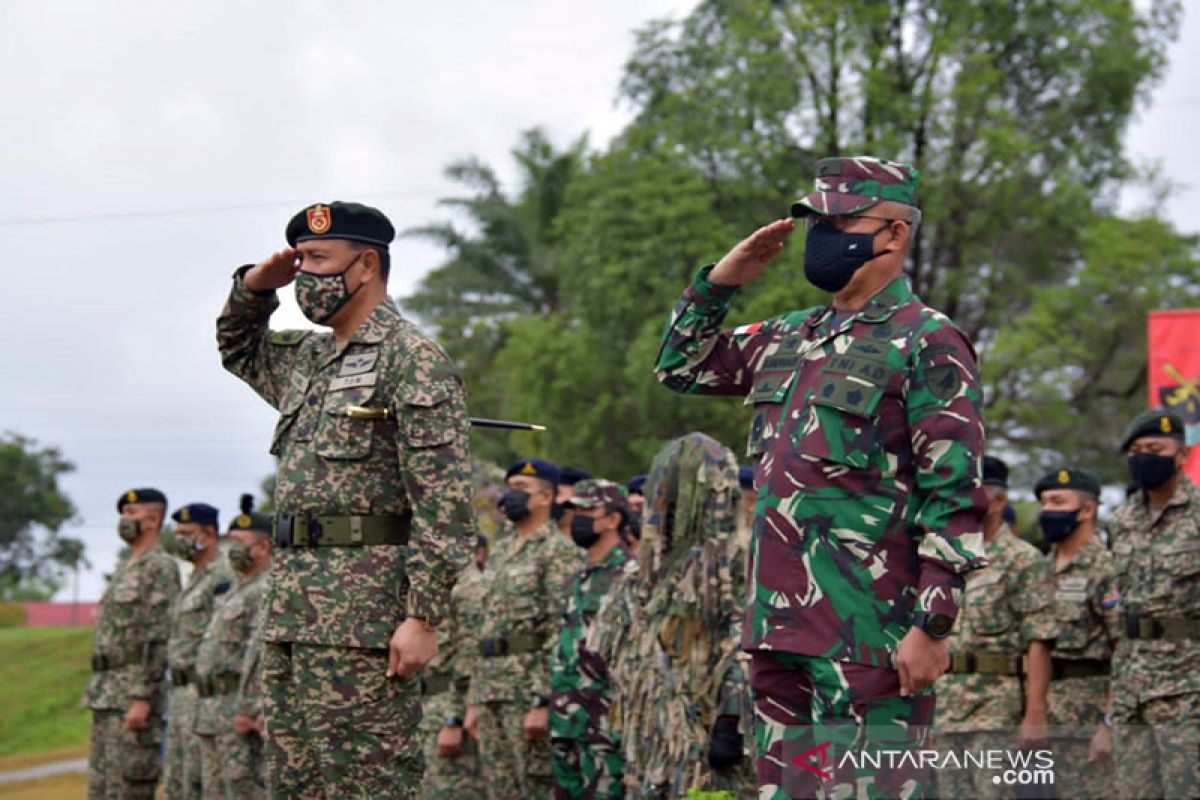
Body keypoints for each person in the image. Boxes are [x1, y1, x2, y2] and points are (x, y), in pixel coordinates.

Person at [654, 156, 987, 797]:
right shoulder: (789, 336)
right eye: (816, 221)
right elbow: (679, 365)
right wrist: (722, 281)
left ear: (893, 234)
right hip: (779, 632)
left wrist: (933, 624)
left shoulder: (926, 341)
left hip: (871, 637)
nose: (822, 237)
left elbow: (954, 494)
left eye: (841, 221)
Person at [216, 200, 476, 797]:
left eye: (318, 260)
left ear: (365, 266)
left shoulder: (412, 360)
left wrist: (423, 615)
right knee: (297, 786)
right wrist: (257, 286)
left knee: (368, 786)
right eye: (300, 260)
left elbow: (444, 504)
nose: (306, 274)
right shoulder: (309, 359)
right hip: (292, 617)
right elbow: (238, 347)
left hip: (365, 627)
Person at [589, 433, 753, 797]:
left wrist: (731, 713)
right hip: (655, 743)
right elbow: (608, 646)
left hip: (710, 742)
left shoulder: (735, 565)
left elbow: (748, 641)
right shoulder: (643, 572)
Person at [933, 456, 1058, 796]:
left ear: (1000, 500)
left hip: (996, 710)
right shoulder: (943, 557)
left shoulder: (1023, 559)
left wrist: (1035, 714)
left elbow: (1039, 640)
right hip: (944, 710)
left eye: (974, 492)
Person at [466, 458, 582, 800]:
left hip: (527, 689)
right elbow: (484, 627)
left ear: (546, 497)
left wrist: (544, 699)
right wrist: (474, 699)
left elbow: (561, 629)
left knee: (537, 787)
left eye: (522, 490)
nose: (510, 496)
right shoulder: (500, 551)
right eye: (510, 488)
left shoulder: (557, 551)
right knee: (500, 790)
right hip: (491, 688)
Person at [1109, 408, 1200, 799]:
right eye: (1137, 450)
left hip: (1187, 687)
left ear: (1181, 455)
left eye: (1155, 447)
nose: (1145, 456)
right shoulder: (1122, 519)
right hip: (1131, 685)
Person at [86, 488, 181, 800]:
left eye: (131, 514)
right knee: (101, 789)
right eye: (123, 514)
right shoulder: (125, 567)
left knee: (128, 787)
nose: (124, 521)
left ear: (153, 520)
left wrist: (142, 696)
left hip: (131, 696)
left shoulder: (160, 567)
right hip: (105, 694)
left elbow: (158, 635)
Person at [1033, 466, 1119, 796]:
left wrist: (1108, 725)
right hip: (1047, 718)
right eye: (1043, 503)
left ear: (1087, 509)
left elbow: (1122, 652)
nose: (1047, 511)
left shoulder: (1105, 569)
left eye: (1057, 501)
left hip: (1089, 717)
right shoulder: (1041, 566)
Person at [550, 479, 634, 799]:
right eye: (575, 510)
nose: (578, 519)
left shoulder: (630, 575)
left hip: (606, 724)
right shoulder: (576, 577)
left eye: (588, 510)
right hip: (566, 721)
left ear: (613, 520)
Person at [193, 507, 273, 799]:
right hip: (215, 713)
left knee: (244, 790)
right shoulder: (232, 591)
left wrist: (251, 707)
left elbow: (261, 654)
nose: (232, 550)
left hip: (240, 714)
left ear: (262, 547)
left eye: (240, 542)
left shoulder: (267, 589)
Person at [164, 502, 232, 800]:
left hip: (202, 692)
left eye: (187, 533)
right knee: (177, 783)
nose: (180, 539)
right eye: (177, 533)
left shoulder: (223, 574)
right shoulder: (193, 576)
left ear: (208, 534)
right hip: (180, 693)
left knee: (201, 784)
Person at [419, 535, 490, 800]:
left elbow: (473, 655)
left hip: (448, 708)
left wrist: (454, 718)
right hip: (422, 710)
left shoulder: (467, 583)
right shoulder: (425, 581)